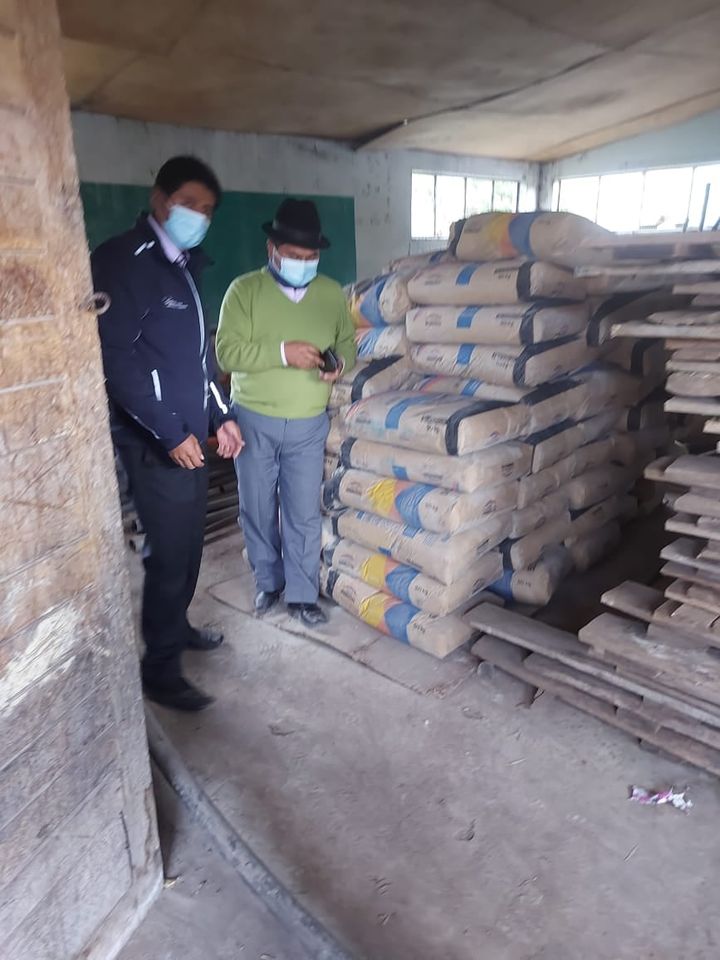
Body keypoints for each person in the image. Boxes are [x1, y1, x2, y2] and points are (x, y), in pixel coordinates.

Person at [92, 155, 244, 711]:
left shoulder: (184, 264)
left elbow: (199, 362)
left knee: (187, 547)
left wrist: (221, 416)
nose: (198, 215)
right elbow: (116, 362)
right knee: (168, 556)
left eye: (207, 209)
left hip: (189, 439)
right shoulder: (123, 261)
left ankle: (175, 628)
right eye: (188, 203)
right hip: (155, 444)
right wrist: (168, 433)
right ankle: (159, 668)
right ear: (160, 199)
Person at [216, 199, 356, 626]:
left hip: (308, 423)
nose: (303, 264)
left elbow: (346, 342)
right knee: (257, 509)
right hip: (253, 419)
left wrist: (340, 363)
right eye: (295, 256)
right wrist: (282, 353)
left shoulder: (330, 293)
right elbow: (226, 352)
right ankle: (268, 582)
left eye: (311, 257)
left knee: (303, 512)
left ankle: (301, 595)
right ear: (271, 249)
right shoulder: (244, 291)